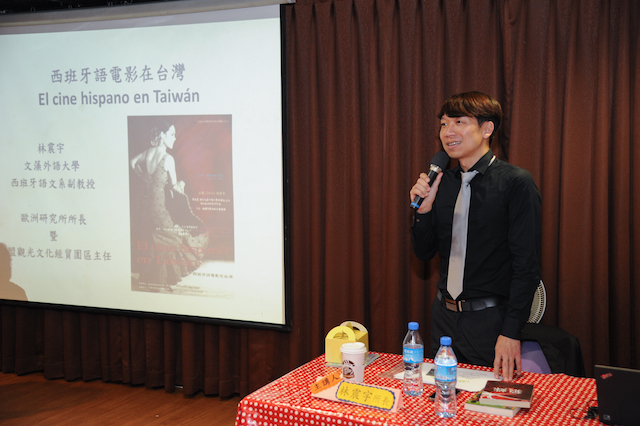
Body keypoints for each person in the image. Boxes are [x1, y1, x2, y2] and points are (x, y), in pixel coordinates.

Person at [410, 91, 541, 382]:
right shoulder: (442, 183)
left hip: (491, 322)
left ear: (487, 129)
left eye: (459, 122)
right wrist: (424, 211)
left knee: (488, 403)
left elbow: (527, 266)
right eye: (444, 124)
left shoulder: (515, 182)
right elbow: (423, 253)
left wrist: (510, 332)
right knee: (440, 397)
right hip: (444, 318)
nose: (448, 132)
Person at [130, 121, 208, 292]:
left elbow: (132, 162)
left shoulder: (147, 153)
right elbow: (174, 188)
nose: (174, 138)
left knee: (160, 239)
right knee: (174, 238)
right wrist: (182, 184)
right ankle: (159, 281)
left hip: (146, 207)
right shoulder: (168, 159)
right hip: (158, 209)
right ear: (162, 136)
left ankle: (155, 280)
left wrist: (143, 177)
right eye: (172, 134)